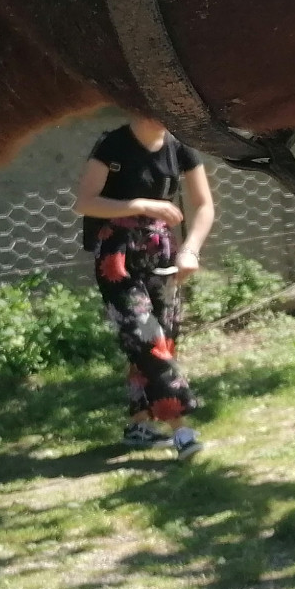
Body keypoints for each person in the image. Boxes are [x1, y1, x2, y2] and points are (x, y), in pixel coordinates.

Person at [73, 114, 214, 460]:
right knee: (147, 339)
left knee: (159, 340)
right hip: (116, 254)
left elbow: (204, 205)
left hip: (161, 251)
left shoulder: (179, 146)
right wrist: (140, 205)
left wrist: (190, 250)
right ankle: (182, 431)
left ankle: (140, 427)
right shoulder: (113, 144)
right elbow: (85, 202)